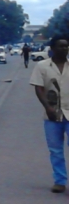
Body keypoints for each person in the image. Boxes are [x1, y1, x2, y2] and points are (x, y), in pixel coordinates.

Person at [29, 34, 69, 193]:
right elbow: (39, 88)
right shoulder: (42, 66)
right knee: (55, 150)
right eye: (61, 46)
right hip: (52, 115)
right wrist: (48, 108)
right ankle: (60, 181)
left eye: (66, 46)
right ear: (52, 48)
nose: (64, 48)